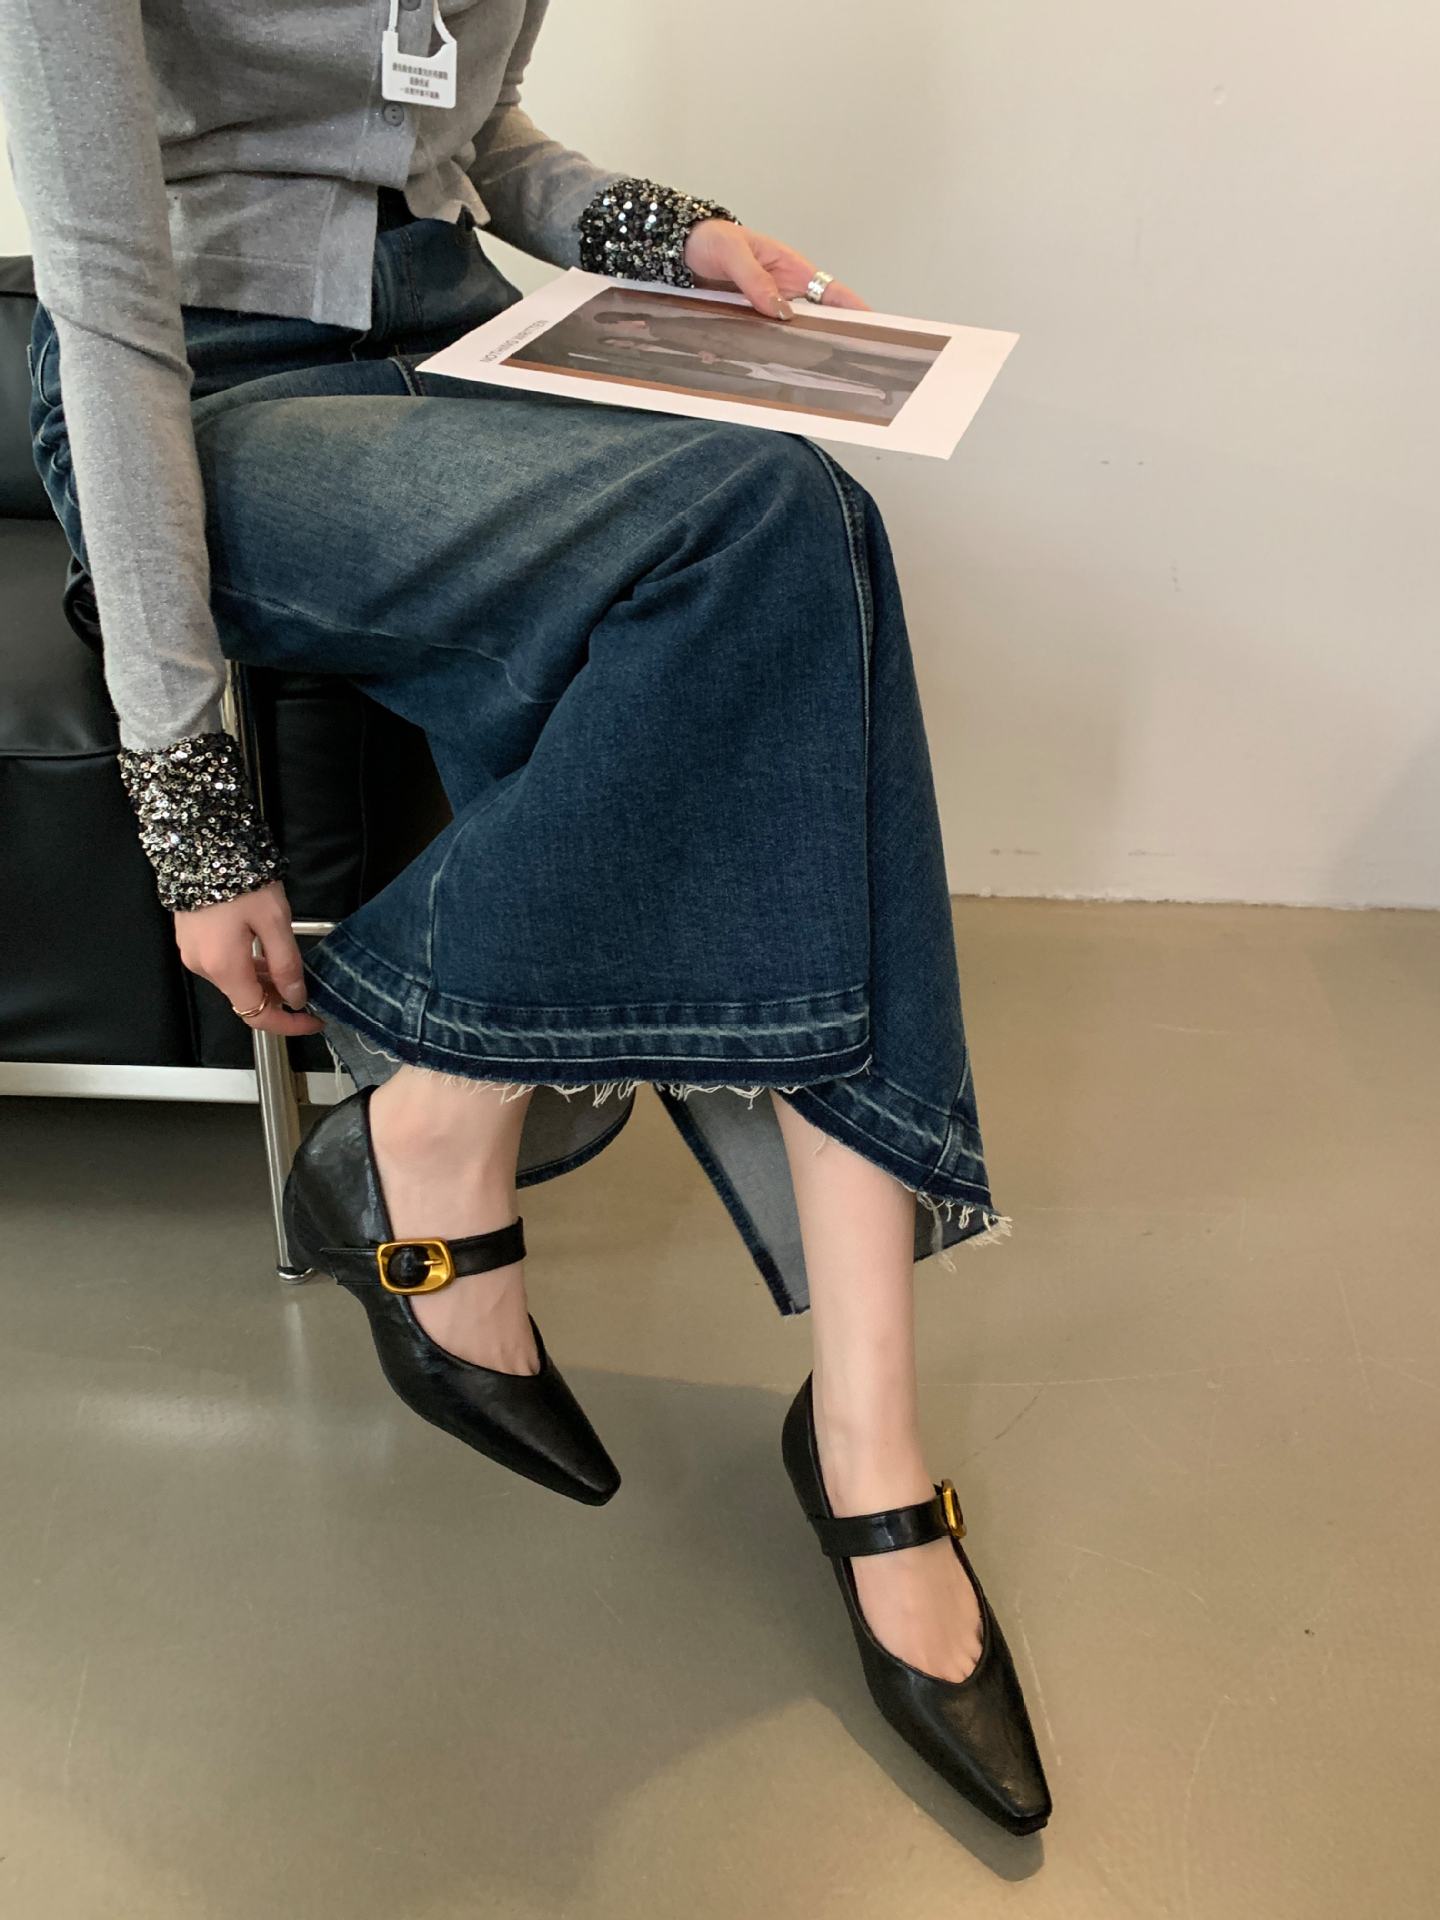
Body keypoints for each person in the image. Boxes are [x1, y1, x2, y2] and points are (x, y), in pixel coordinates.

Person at [1, 0, 1051, 1834]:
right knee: (765, 530)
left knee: (807, 539)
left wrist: (667, 235)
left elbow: (470, 140)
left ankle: (806, 1378)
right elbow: (101, 293)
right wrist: (189, 799)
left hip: (464, 341)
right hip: (204, 390)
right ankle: (867, 1467)